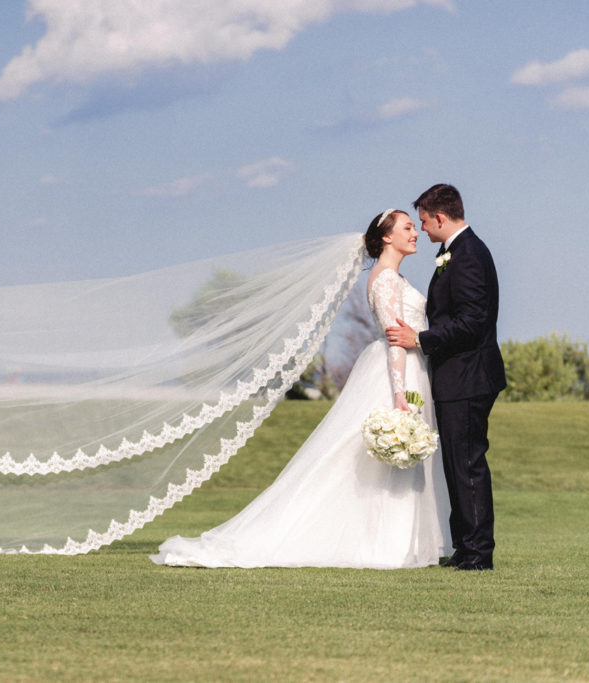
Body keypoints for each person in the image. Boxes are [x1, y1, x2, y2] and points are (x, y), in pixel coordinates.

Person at [151, 209, 450, 569]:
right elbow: (395, 340)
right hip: (395, 373)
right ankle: (388, 545)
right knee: (381, 456)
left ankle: (402, 542)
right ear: (387, 236)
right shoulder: (385, 280)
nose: (415, 233)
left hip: (411, 370)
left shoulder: (394, 277)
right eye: (407, 227)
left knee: (396, 460)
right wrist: (400, 394)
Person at [386, 184, 505, 571]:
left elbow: (472, 322)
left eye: (422, 220)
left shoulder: (468, 255)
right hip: (458, 376)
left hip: (468, 376)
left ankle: (478, 553)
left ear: (440, 217)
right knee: (457, 463)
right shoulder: (456, 252)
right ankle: (466, 546)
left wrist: (419, 339)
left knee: (467, 463)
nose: (421, 229)